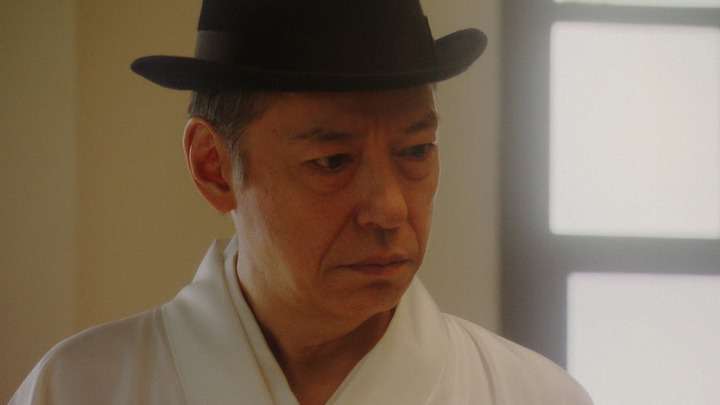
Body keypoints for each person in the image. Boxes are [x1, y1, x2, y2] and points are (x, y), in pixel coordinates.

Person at [11, 0, 593, 404]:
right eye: (333, 161)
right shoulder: (79, 389)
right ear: (213, 167)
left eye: (416, 151)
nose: (391, 209)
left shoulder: (532, 396)